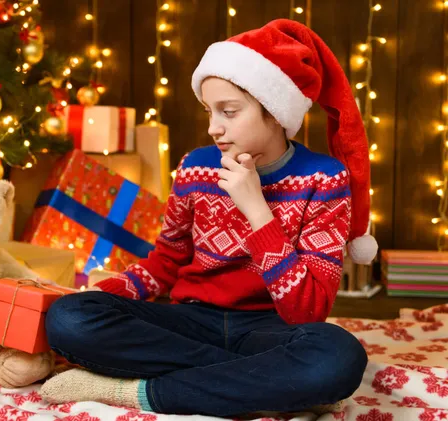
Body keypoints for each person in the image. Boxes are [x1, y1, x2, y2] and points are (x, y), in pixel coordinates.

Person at [39, 18, 378, 417]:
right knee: (68, 319)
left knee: (339, 356)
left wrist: (257, 210)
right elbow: (166, 262)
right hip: (190, 319)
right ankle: (262, 385)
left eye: (229, 112)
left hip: (270, 330)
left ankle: (139, 393)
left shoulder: (325, 179)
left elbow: (306, 312)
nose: (213, 128)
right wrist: (99, 299)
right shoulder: (195, 168)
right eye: (209, 111)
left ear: (274, 111)